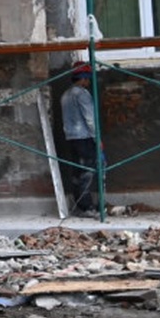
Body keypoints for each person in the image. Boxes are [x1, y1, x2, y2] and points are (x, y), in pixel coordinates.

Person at [61, 61, 101, 218]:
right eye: (88, 78)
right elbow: (90, 119)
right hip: (84, 138)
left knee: (77, 173)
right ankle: (87, 207)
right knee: (87, 173)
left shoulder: (65, 95)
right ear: (83, 78)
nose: (89, 82)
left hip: (71, 138)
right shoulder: (82, 94)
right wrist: (97, 138)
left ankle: (80, 205)